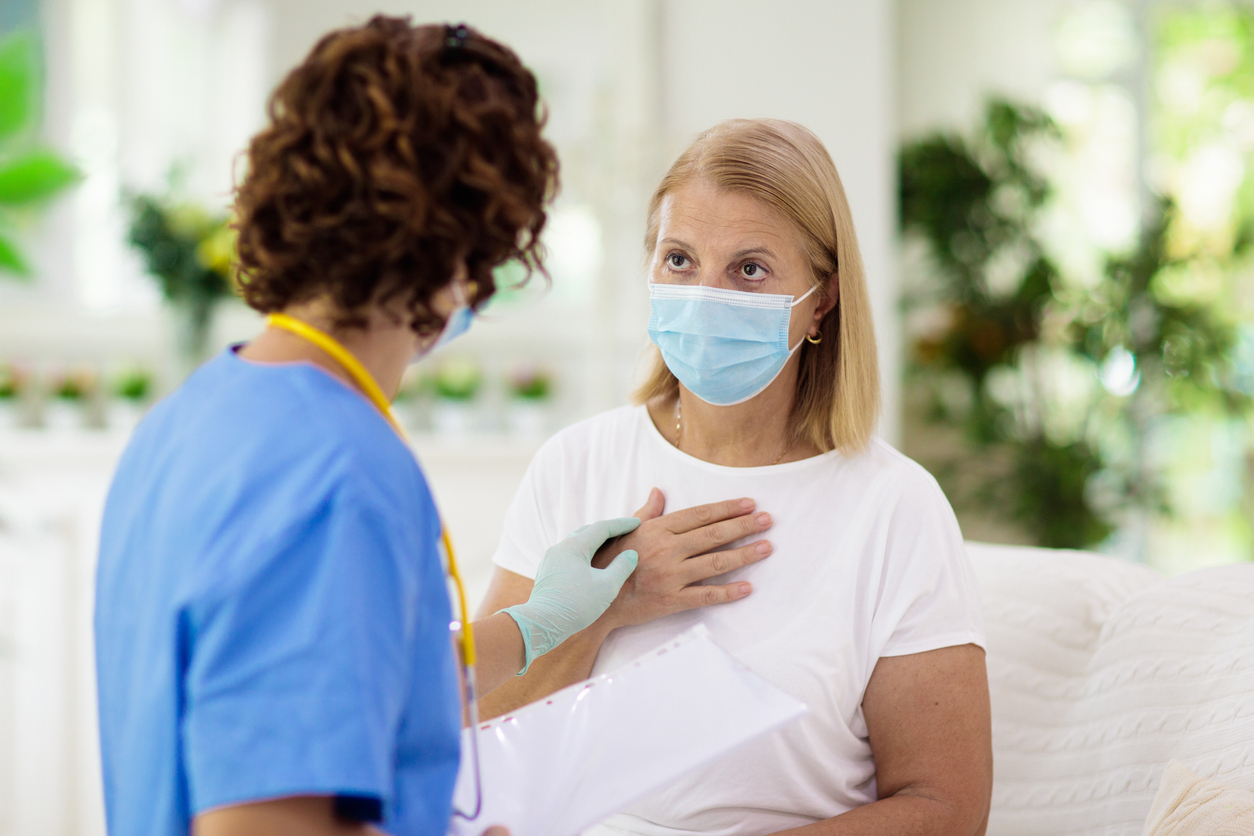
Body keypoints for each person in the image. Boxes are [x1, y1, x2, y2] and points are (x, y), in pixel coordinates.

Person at [94, 19, 770, 836]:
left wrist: (534, 625)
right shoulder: (334, 472)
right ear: (467, 242)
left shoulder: (193, 418)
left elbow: (334, 685)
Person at [477, 119, 993, 836]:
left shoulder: (893, 507)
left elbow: (946, 809)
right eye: (680, 260)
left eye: (749, 269)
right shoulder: (576, 464)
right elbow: (486, 739)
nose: (704, 296)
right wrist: (602, 612)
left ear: (822, 300)